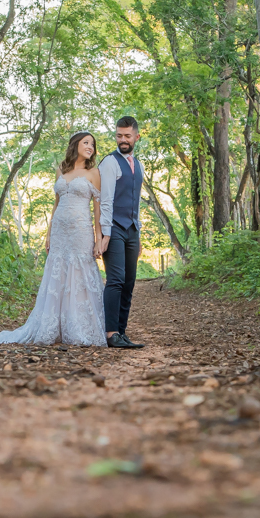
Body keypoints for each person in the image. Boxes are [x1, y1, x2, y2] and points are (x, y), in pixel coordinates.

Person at [0, 131, 107, 346]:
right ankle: (54, 326)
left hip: (80, 230)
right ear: (75, 145)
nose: (90, 147)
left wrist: (99, 238)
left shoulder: (94, 173)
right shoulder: (61, 170)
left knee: (79, 272)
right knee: (58, 272)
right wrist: (48, 234)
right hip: (59, 231)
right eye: (86, 143)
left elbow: (97, 209)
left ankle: (79, 327)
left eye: (92, 145)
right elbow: (56, 204)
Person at [98, 116, 146, 349]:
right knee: (115, 280)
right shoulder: (109, 162)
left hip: (132, 230)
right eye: (119, 136)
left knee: (129, 282)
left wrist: (139, 232)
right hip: (114, 228)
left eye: (127, 136)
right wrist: (105, 234)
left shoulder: (139, 165)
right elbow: (105, 201)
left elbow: (136, 202)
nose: (123, 140)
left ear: (137, 136)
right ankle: (111, 333)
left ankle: (122, 332)